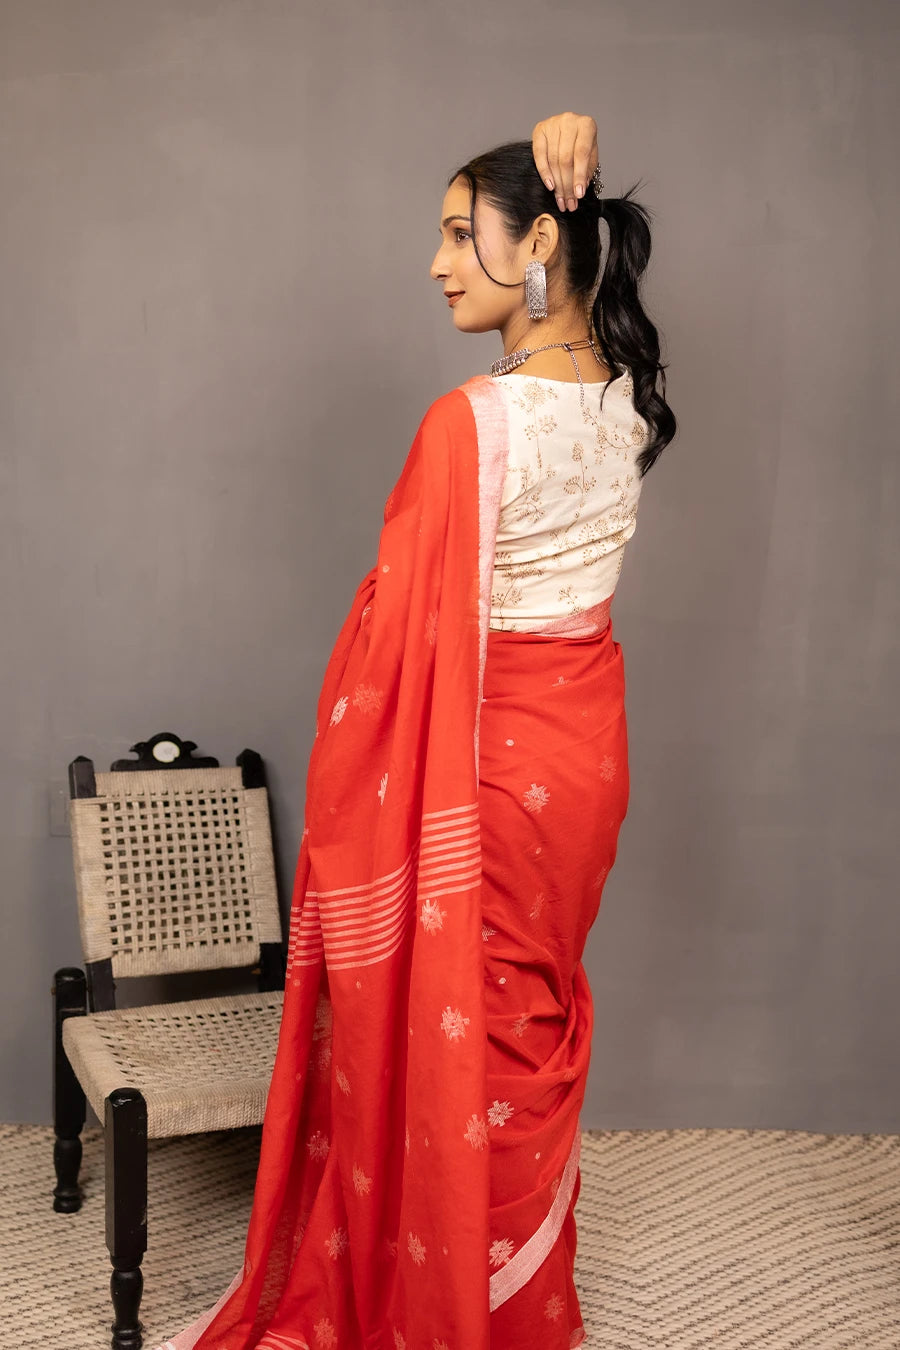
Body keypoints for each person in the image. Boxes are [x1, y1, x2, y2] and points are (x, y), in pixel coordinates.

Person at [156, 111, 676, 1350]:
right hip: (586, 761)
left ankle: (452, 1304)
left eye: (460, 234)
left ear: (539, 238)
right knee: (522, 1017)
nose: (438, 264)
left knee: (470, 1029)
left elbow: (392, 645)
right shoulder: (626, 405)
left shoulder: (472, 424)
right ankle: (520, 1297)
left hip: (490, 771)